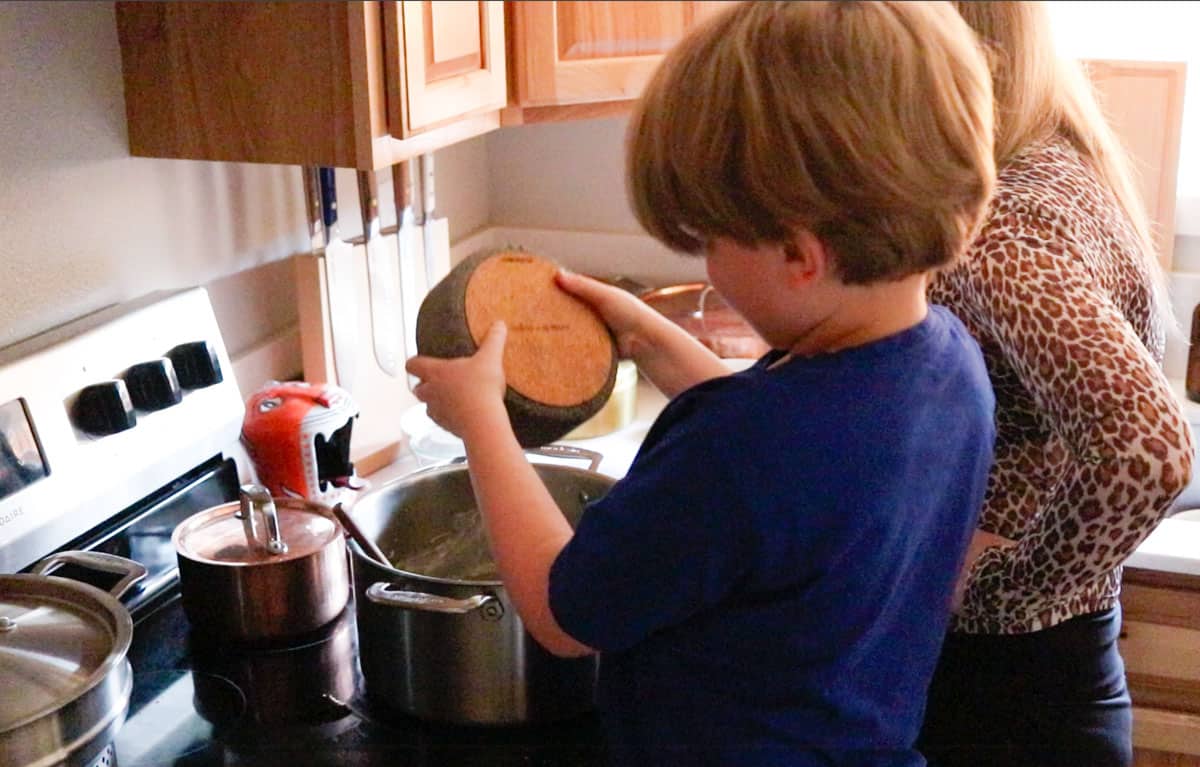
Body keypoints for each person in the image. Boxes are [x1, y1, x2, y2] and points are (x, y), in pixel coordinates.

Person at [407, 2, 997, 764]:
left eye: (711, 238)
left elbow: (564, 609)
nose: (705, 262)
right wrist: (652, 339)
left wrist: (480, 418)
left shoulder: (739, 448)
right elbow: (798, 473)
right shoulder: (948, 366)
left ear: (798, 253)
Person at [915, 3, 1196, 766]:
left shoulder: (1001, 223)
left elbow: (1149, 448)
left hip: (1001, 687)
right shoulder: (1059, 155)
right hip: (1050, 673)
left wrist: (1003, 589)